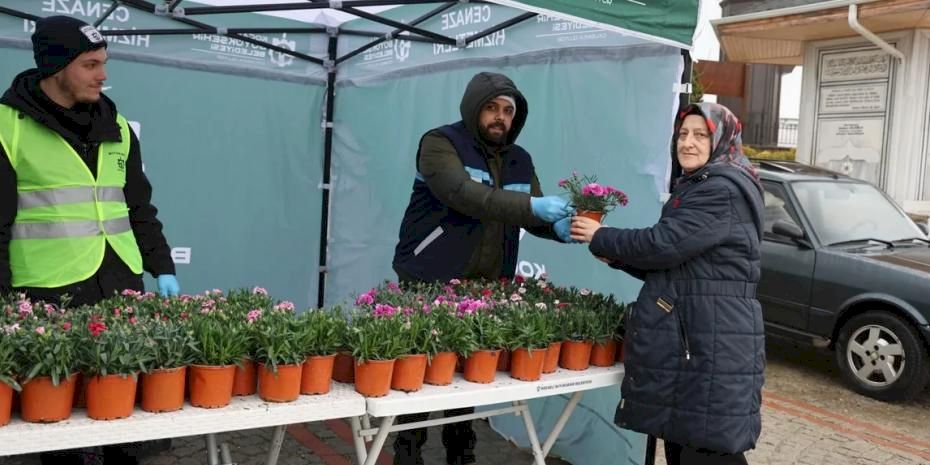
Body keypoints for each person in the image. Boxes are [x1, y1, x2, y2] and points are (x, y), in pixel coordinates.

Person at [0, 15, 180, 465]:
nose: (103, 75)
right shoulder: (8, 126)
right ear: (56, 67)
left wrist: (162, 267)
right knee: (60, 431)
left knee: (128, 425)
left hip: (119, 283)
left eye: (103, 63)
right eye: (90, 64)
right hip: (48, 292)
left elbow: (138, 205)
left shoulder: (114, 122)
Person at [391, 71, 575, 465]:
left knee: (472, 376)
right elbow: (464, 194)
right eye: (491, 107)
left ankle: (462, 451)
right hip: (430, 278)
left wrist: (559, 228)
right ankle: (408, 451)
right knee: (421, 374)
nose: (500, 118)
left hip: (486, 288)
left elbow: (531, 213)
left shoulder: (519, 160)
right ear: (474, 108)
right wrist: (532, 208)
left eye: (508, 111)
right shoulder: (440, 143)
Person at [571, 102, 765, 465]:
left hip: (711, 342)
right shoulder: (701, 186)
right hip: (701, 336)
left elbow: (662, 244)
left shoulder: (720, 189)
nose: (688, 143)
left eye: (700, 135)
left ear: (721, 139)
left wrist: (603, 236)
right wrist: (616, 256)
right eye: (683, 134)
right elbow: (677, 266)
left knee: (706, 450)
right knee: (686, 443)